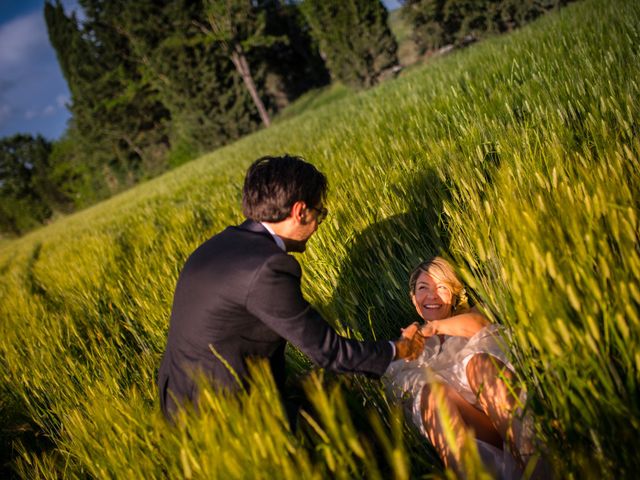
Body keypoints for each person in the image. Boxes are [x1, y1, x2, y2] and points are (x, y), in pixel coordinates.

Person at [158, 154, 425, 423]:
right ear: (299, 211)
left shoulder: (217, 245)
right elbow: (330, 352)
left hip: (179, 398)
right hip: (226, 411)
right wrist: (398, 349)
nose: (319, 223)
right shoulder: (267, 267)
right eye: (319, 213)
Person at [385, 257, 536, 478]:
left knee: (480, 364)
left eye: (442, 287)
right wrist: (408, 346)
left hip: (506, 415)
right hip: (471, 432)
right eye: (423, 288)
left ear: (455, 294)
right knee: (430, 394)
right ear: (414, 299)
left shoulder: (472, 316)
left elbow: (480, 326)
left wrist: (434, 327)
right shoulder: (407, 345)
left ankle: (537, 467)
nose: (432, 295)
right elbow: (400, 396)